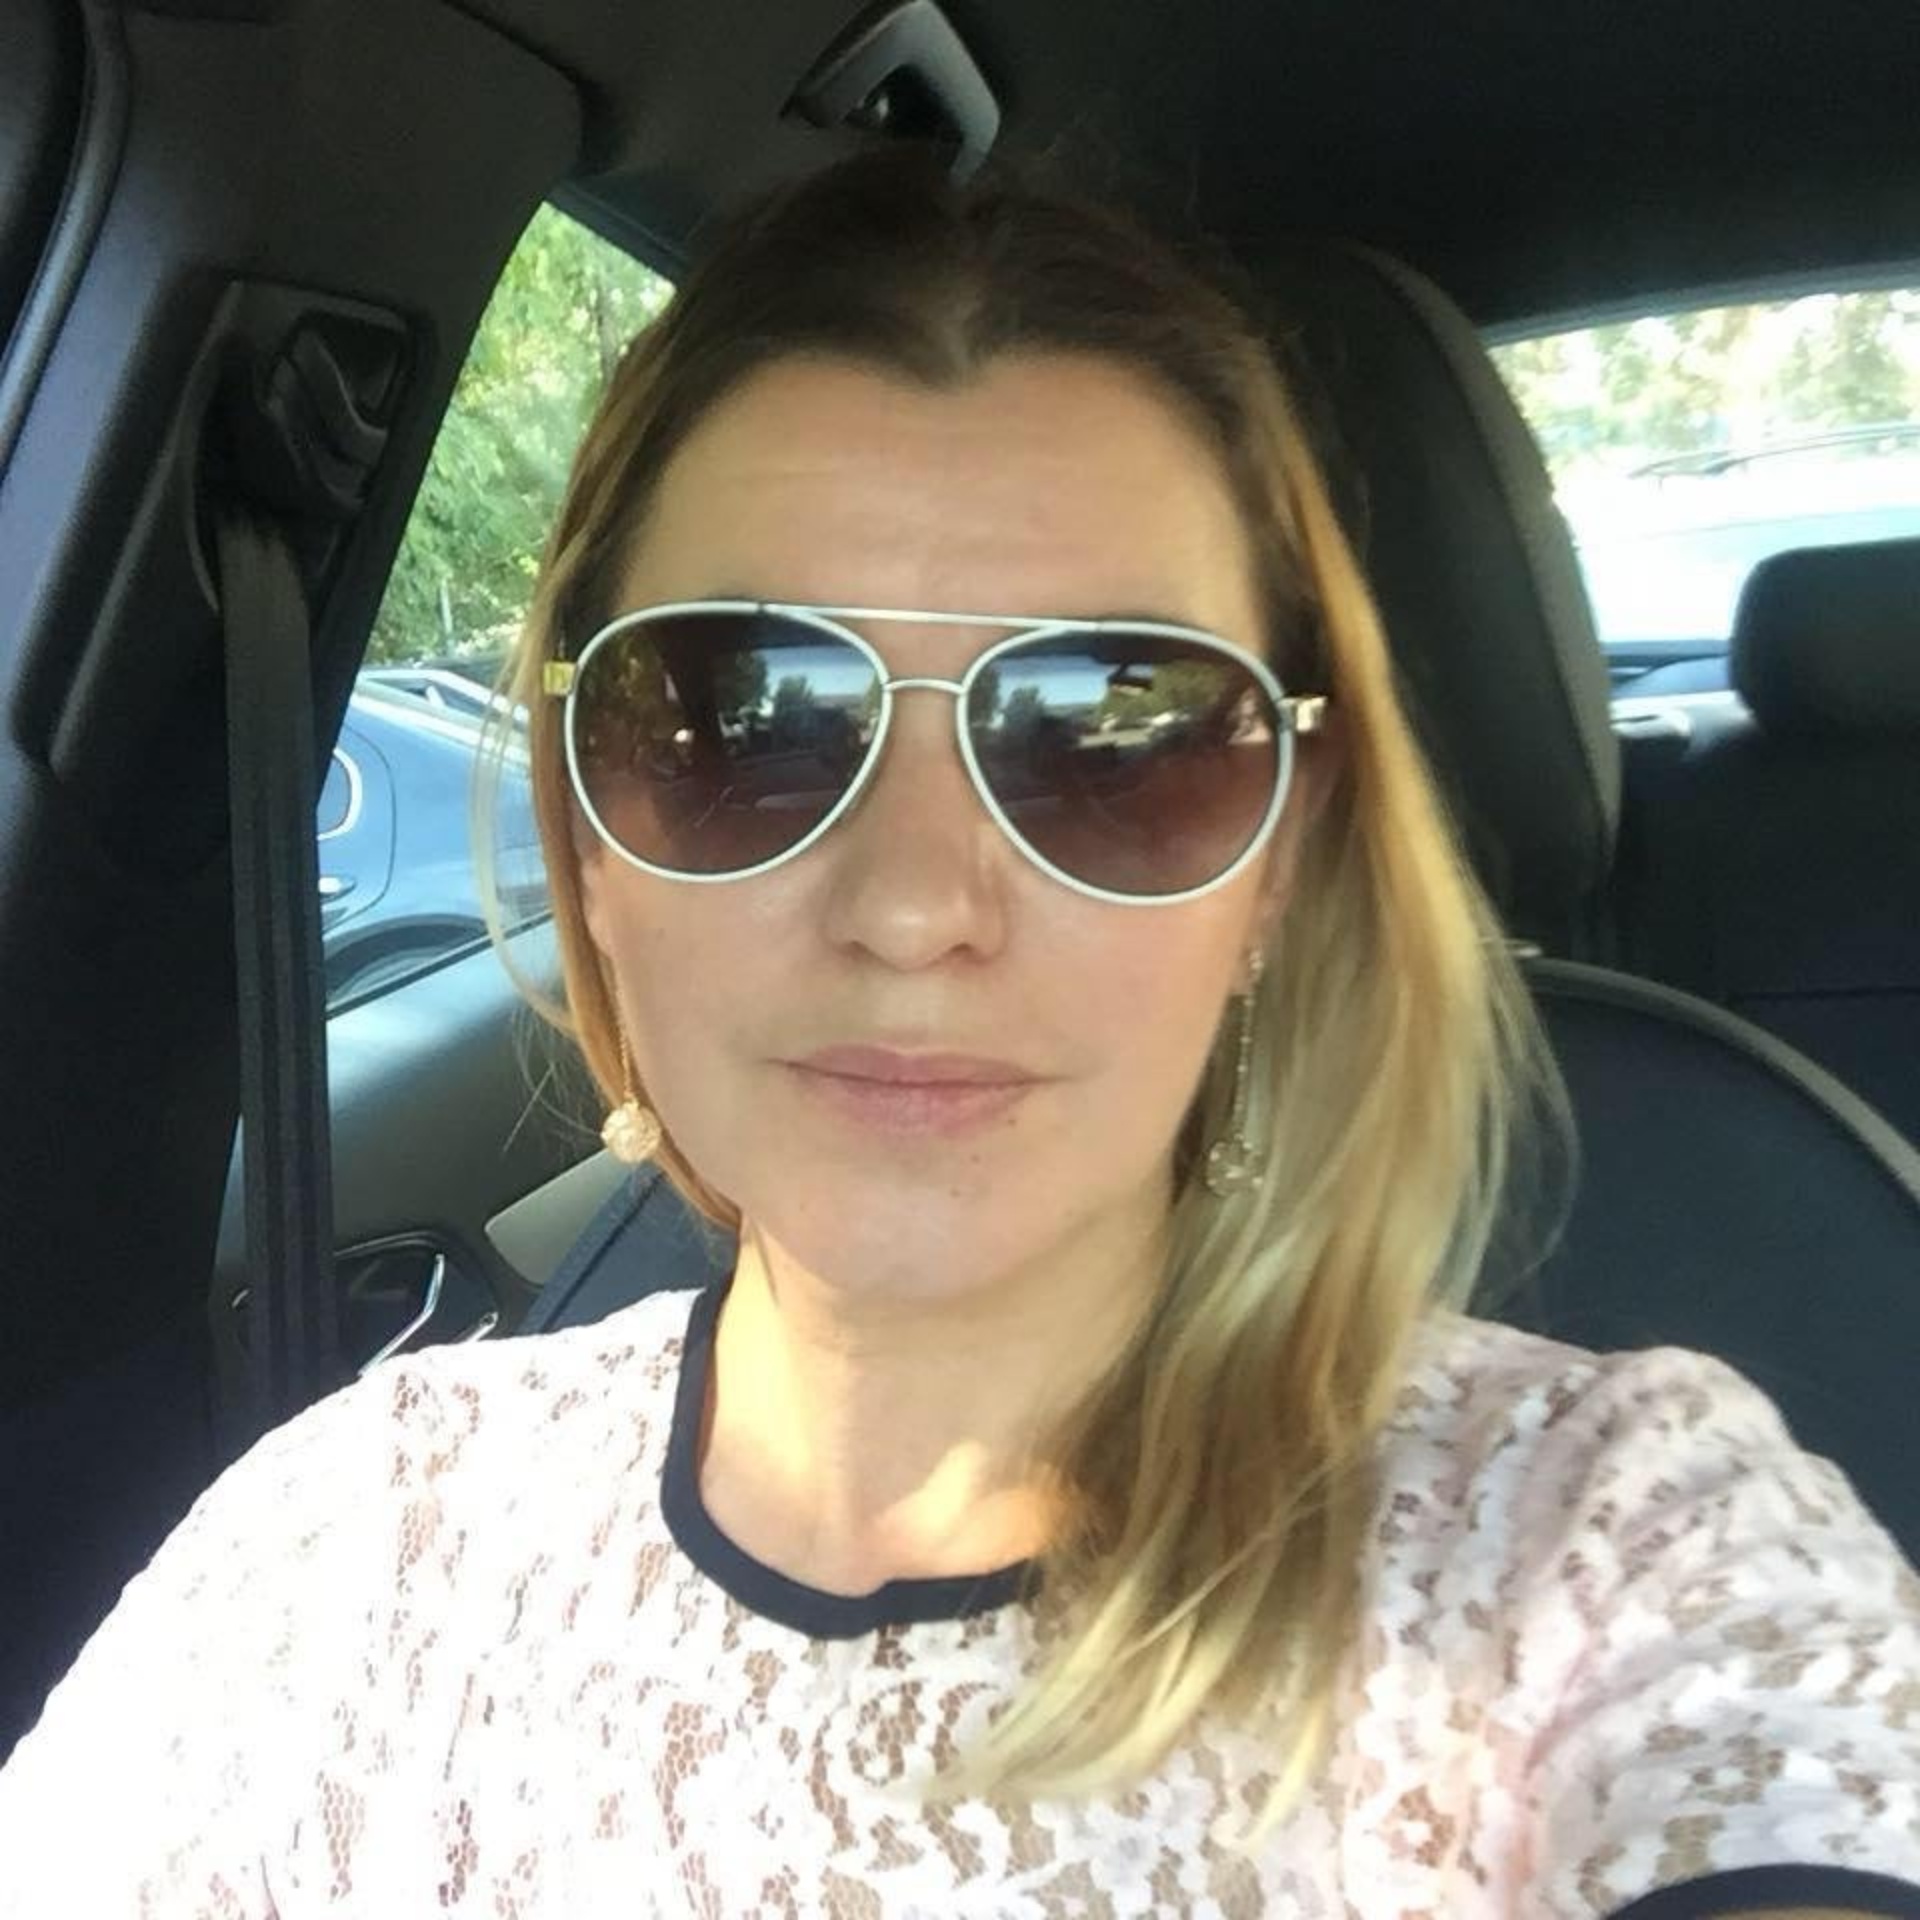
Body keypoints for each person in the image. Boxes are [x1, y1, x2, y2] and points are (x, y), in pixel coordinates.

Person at [1, 148, 1916, 1920]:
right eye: (744, 722)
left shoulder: (1608, 1560)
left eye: (1116, 742)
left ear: (1276, 863)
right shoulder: (357, 1539)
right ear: (586, 836)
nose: (916, 907)